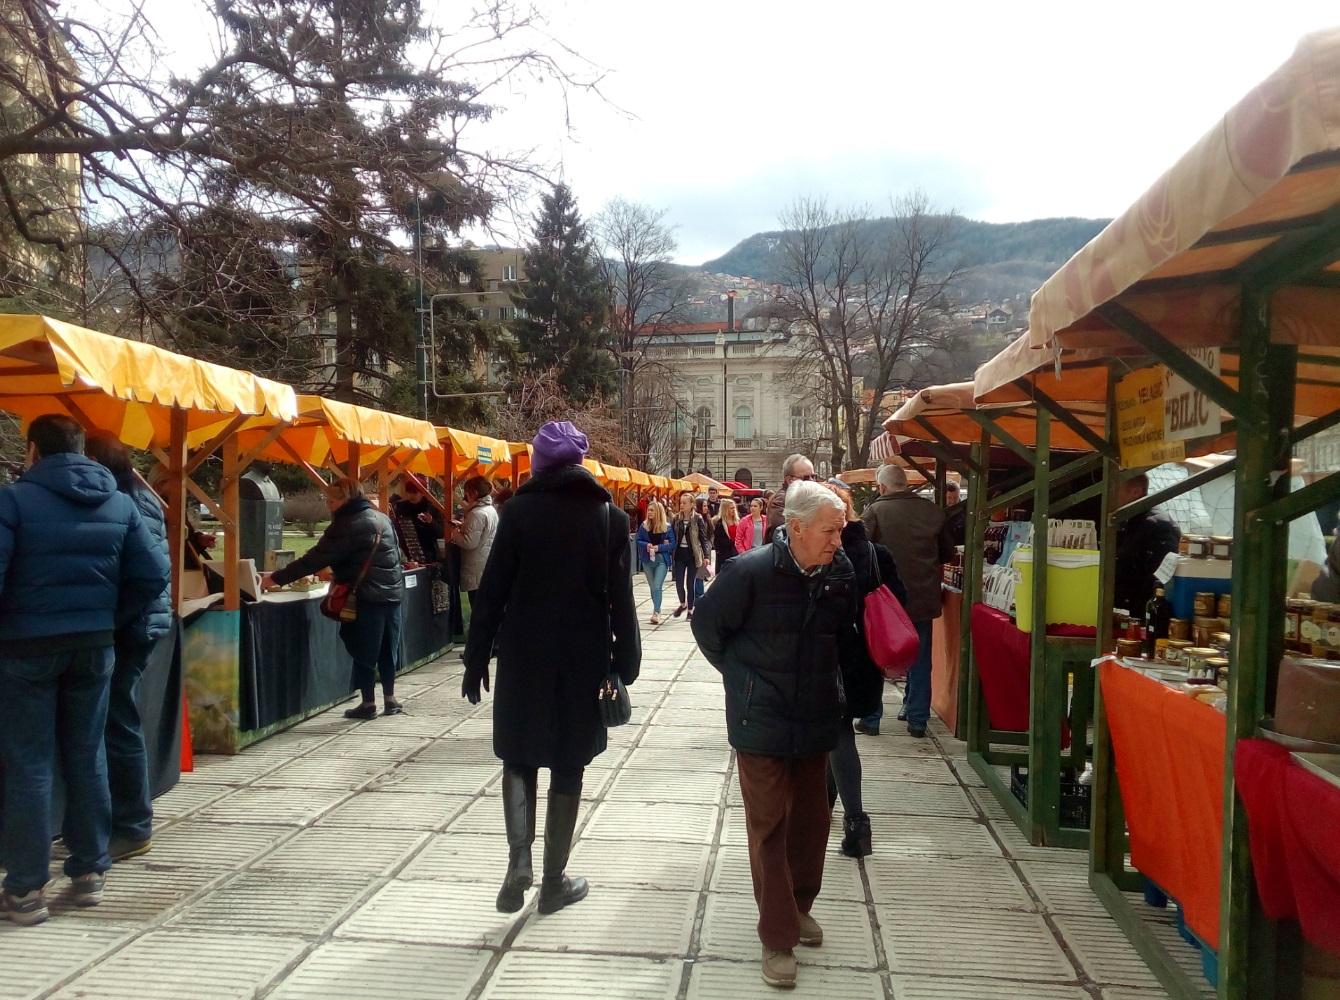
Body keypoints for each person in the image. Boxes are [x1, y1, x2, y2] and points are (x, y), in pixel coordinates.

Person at [462, 420, 640, 917]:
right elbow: (620, 599)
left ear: (539, 465)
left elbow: (492, 591)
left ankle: (518, 860)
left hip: (523, 653)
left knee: (518, 756)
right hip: (583, 658)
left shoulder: (516, 512)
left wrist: (477, 657)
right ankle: (553, 882)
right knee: (568, 763)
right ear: (580, 464)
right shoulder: (610, 517)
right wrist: (626, 661)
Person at [0, 414, 171, 926]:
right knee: (87, 752)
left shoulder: (13, 501)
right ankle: (90, 871)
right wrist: (110, 620)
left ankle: (27, 889)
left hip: (27, 648)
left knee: (30, 762)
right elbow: (154, 572)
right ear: (79, 448)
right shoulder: (120, 502)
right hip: (95, 647)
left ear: (32, 450)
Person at [691, 481, 856, 990]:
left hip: (814, 716)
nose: (837, 540)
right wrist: (744, 680)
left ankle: (798, 905)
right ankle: (778, 936)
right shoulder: (750, 571)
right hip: (758, 720)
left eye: (841, 530)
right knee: (770, 826)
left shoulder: (841, 572)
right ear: (798, 527)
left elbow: (844, 636)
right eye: (830, 530)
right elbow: (706, 628)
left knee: (812, 823)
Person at [84, 432, 173, 863]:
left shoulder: (129, 501)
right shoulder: (135, 496)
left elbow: (148, 572)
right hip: (136, 622)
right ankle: (113, 820)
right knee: (115, 720)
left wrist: (115, 618)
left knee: (118, 722)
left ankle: (134, 823)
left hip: (131, 627)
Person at [262, 479, 405, 720]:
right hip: (392, 594)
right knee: (387, 649)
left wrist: (275, 578)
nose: (329, 506)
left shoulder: (348, 523)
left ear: (346, 499)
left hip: (364, 596)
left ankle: (368, 703)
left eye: (332, 500)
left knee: (364, 650)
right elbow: (395, 555)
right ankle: (390, 699)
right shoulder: (382, 518)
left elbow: (315, 558)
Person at [824, 483, 907, 858]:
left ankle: (857, 821)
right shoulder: (876, 553)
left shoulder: (820, 553)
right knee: (835, 734)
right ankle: (823, 817)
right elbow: (899, 601)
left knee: (838, 734)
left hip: (828, 657)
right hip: (865, 657)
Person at [860, 463, 955, 737]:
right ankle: (917, 719)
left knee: (877, 656)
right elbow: (947, 553)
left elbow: (862, 551)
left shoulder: (875, 511)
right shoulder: (932, 511)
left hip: (886, 600)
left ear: (882, 487)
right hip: (923, 597)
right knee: (921, 656)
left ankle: (871, 717)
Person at [1114, 472, 1182, 618]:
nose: (1111, 496)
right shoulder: (1130, 522)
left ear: (1135, 492)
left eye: (1115, 490)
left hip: (1143, 617)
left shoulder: (1157, 525)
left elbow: (1160, 578)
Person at [449, 475, 500, 608]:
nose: (465, 497)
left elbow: (469, 542)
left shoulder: (476, 514)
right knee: (486, 608)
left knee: (478, 608)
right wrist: (463, 526)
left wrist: (455, 533)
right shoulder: (491, 510)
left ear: (474, 493)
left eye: (466, 494)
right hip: (487, 564)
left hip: (475, 568)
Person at [635, 499, 676, 624]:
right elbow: (638, 540)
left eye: (652, 510)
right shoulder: (644, 525)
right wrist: (647, 544)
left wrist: (660, 547)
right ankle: (656, 609)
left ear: (658, 512)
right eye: (649, 510)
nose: (649, 512)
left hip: (661, 560)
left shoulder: (667, 527)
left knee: (657, 586)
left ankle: (656, 612)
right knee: (652, 587)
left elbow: (672, 543)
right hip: (647, 560)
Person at [671, 491, 710, 620]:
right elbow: (671, 535)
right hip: (679, 554)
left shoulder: (697, 518)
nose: (681, 505)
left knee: (690, 583)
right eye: (680, 502)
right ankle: (683, 604)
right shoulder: (677, 519)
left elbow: (703, 539)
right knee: (679, 583)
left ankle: (690, 609)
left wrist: (706, 556)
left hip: (693, 554)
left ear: (692, 504)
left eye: (684, 503)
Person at [391, 476, 444, 564]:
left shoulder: (432, 508)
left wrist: (431, 522)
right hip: (406, 554)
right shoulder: (401, 507)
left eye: (414, 493)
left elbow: (441, 533)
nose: (411, 495)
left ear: (423, 493)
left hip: (428, 554)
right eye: (409, 492)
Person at [765, 453, 816, 535]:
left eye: (813, 476)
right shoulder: (781, 501)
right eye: (806, 478)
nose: (812, 481)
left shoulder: (807, 497)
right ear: (789, 480)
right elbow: (786, 535)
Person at [712, 498, 740, 570]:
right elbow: (718, 541)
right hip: (724, 554)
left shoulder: (738, 521)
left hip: (737, 552)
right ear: (725, 510)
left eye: (734, 507)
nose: (734, 510)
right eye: (731, 508)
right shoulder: (719, 523)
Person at [942, 481, 966, 546]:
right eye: (949, 497)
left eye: (955, 497)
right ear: (944, 497)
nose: (952, 501)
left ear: (959, 495)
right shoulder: (939, 511)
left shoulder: (965, 510)